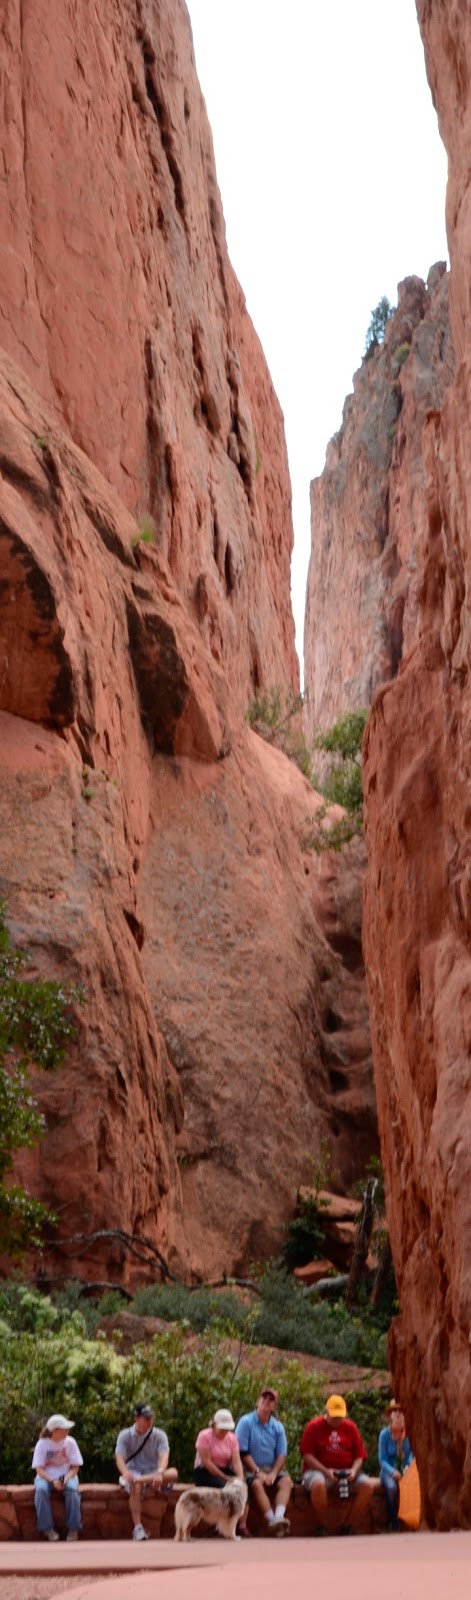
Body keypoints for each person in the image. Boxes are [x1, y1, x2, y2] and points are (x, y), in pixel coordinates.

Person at [300, 1393, 374, 1535]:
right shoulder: (314, 1426)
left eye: (340, 1416)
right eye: (334, 1416)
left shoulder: (350, 1427)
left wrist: (353, 1470)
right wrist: (326, 1471)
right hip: (319, 1470)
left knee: (367, 1486)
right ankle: (322, 1526)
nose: (337, 1420)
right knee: (319, 1484)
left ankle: (349, 1525)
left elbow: (360, 1455)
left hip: (346, 1471)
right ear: (326, 1411)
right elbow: (307, 1456)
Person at [115, 1402, 178, 1541]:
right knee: (135, 1486)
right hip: (134, 1471)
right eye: (146, 1418)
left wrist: (160, 1471)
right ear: (136, 1419)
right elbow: (119, 1458)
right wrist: (125, 1472)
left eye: (151, 1417)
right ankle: (138, 1528)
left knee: (173, 1473)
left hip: (154, 1472)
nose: (150, 1420)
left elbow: (164, 1456)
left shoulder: (159, 1434)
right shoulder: (125, 1435)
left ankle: (140, 1480)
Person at [235, 1387, 292, 1536]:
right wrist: (257, 1472)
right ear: (257, 1402)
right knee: (256, 1484)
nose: (266, 1402)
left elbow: (282, 1453)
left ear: (274, 1406)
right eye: (264, 1398)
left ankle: (279, 1517)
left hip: (271, 1467)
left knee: (287, 1482)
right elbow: (242, 1452)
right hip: (249, 1467)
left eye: (271, 1400)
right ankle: (272, 1520)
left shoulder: (278, 1426)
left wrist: (273, 1473)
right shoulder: (245, 1422)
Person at [32, 1413, 83, 1542]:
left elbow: (75, 1467)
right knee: (41, 1491)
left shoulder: (71, 1442)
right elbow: (39, 1469)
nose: (67, 1431)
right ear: (55, 1430)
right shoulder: (42, 1444)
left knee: (72, 1491)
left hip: (68, 1475)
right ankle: (47, 1529)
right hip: (46, 1477)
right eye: (64, 1429)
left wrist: (66, 1478)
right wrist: (53, 1480)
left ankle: (74, 1529)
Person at [378, 1401, 414, 1530]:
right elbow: (382, 1459)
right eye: (395, 1411)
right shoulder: (384, 1434)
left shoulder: (410, 1433)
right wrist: (393, 1471)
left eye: (401, 1411)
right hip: (389, 1471)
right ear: (390, 1416)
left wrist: (408, 1467)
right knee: (392, 1488)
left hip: (407, 1470)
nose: (398, 1414)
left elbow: (412, 1453)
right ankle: (393, 1522)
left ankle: (411, 1520)